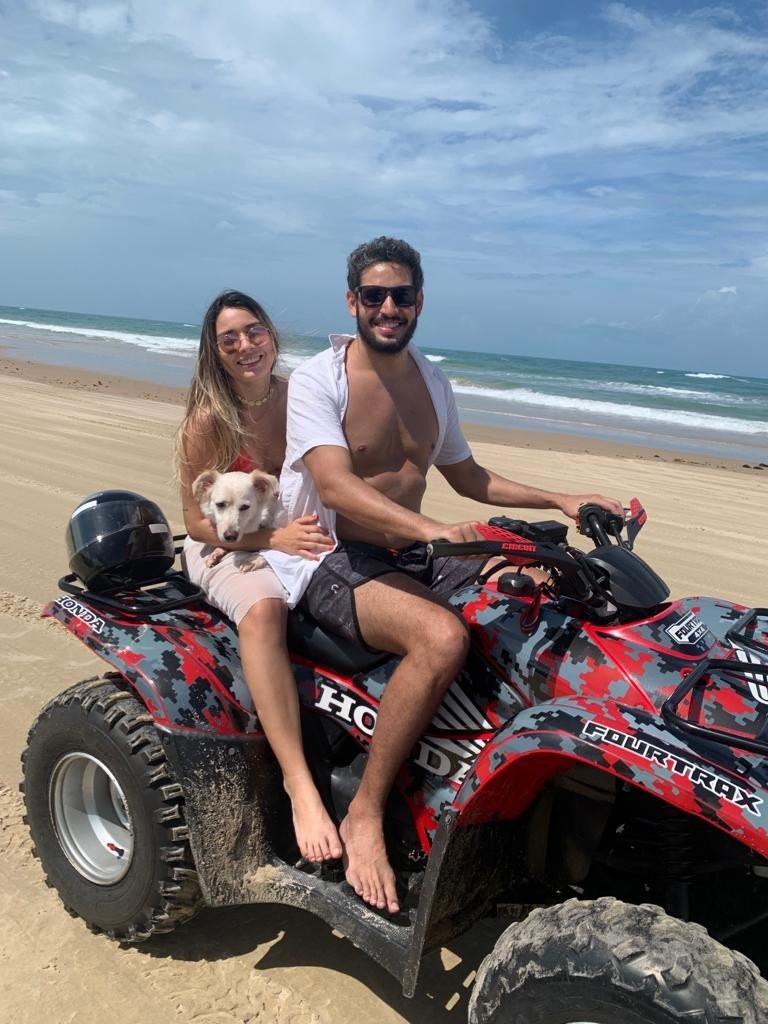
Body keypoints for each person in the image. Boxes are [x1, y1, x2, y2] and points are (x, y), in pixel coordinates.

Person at [275, 237, 626, 914]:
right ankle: (366, 813)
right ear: (352, 302)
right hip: (329, 556)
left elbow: (468, 477)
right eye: (374, 295)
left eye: (401, 295)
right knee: (441, 638)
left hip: (409, 553)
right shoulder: (321, 380)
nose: (388, 307)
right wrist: (432, 530)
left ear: (419, 301)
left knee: (537, 586)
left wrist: (560, 499)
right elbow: (336, 485)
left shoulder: (433, 383)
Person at [175, 290, 340, 863]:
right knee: (266, 609)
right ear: (216, 351)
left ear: (271, 336)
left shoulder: (299, 397)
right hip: (224, 544)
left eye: (254, 331)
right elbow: (196, 522)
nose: (245, 345)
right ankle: (299, 784)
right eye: (230, 339)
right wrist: (269, 541)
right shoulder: (208, 420)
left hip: (289, 529)